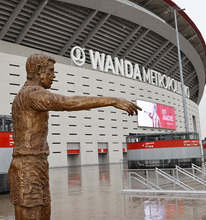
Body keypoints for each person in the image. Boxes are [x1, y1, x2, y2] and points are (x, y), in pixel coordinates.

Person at [8, 54, 141, 220]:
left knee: (43, 212)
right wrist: (112, 101)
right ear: (38, 71)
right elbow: (66, 102)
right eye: (51, 71)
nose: (54, 75)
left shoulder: (33, 94)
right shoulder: (32, 94)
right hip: (28, 165)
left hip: (38, 163)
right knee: (30, 215)